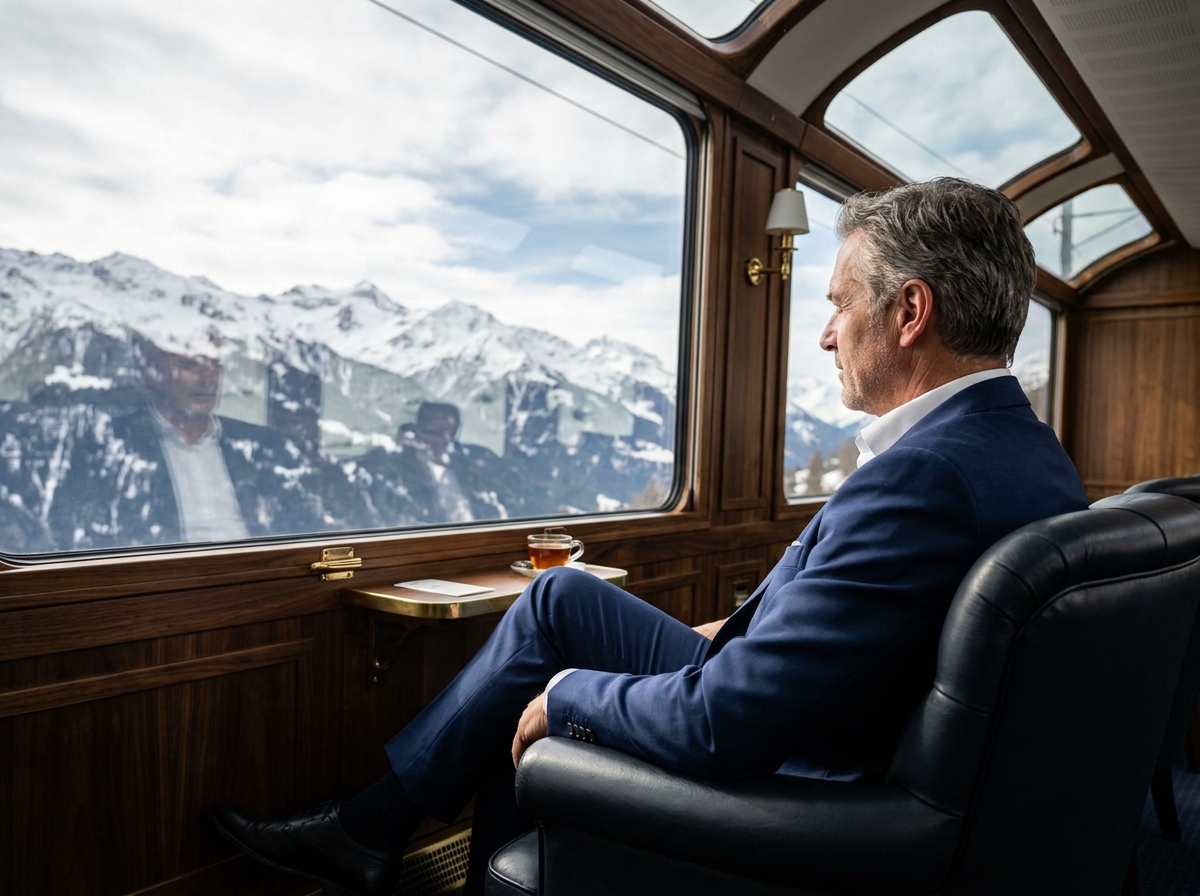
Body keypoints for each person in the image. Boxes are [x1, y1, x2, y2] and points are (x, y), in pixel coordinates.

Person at [209, 179, 1088, 896]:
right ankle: (373, 829)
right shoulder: (1031, 455)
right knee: (561, 597)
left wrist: (571, 699)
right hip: (849, 715)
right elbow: (868, 628)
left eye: (838, 305)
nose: (824, 335)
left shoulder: (923, 476)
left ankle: (387, 838)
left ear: (909, 312)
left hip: (817, 773)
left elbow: (726, 723)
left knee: (550, 692)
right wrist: (733, 634)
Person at [48, 342, 325, 549]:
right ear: (154, 373)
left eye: (216, 365)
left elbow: (302, 529)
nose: (209, 378)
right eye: (192, 365)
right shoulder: (111, 443)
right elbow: (82, 539)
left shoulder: (259, 444)